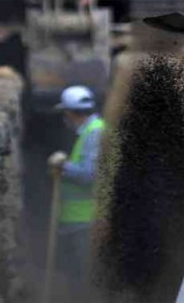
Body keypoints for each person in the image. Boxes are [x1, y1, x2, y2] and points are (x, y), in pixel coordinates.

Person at [47, 85, 105, 292]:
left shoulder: (95, 132)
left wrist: (63, 166)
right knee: (74, 275)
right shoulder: (90, 131)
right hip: (77, 220)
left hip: (85, 220)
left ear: (70, 112)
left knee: (81, 278)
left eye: (65, 112)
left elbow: (90, 174)